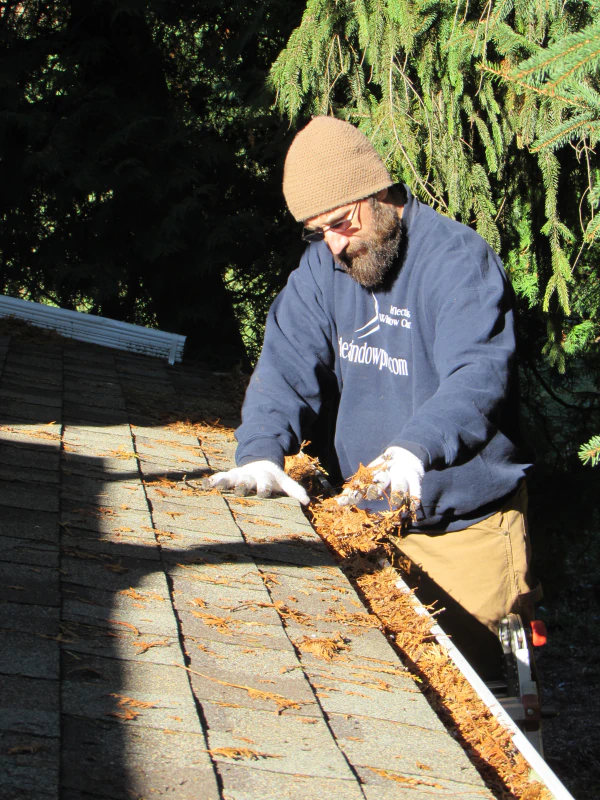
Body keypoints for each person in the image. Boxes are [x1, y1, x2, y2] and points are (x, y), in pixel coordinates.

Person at [209, 116, 541, 678]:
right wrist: (261, 451)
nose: (335, 246)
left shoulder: (458, 261)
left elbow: (478, 375)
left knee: (481, 713)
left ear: (379, 192)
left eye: (342, 223)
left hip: (465, 535)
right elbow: (285, 367)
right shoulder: (322, 269)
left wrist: (414, 450)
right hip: (365, 522)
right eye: (318, 232)